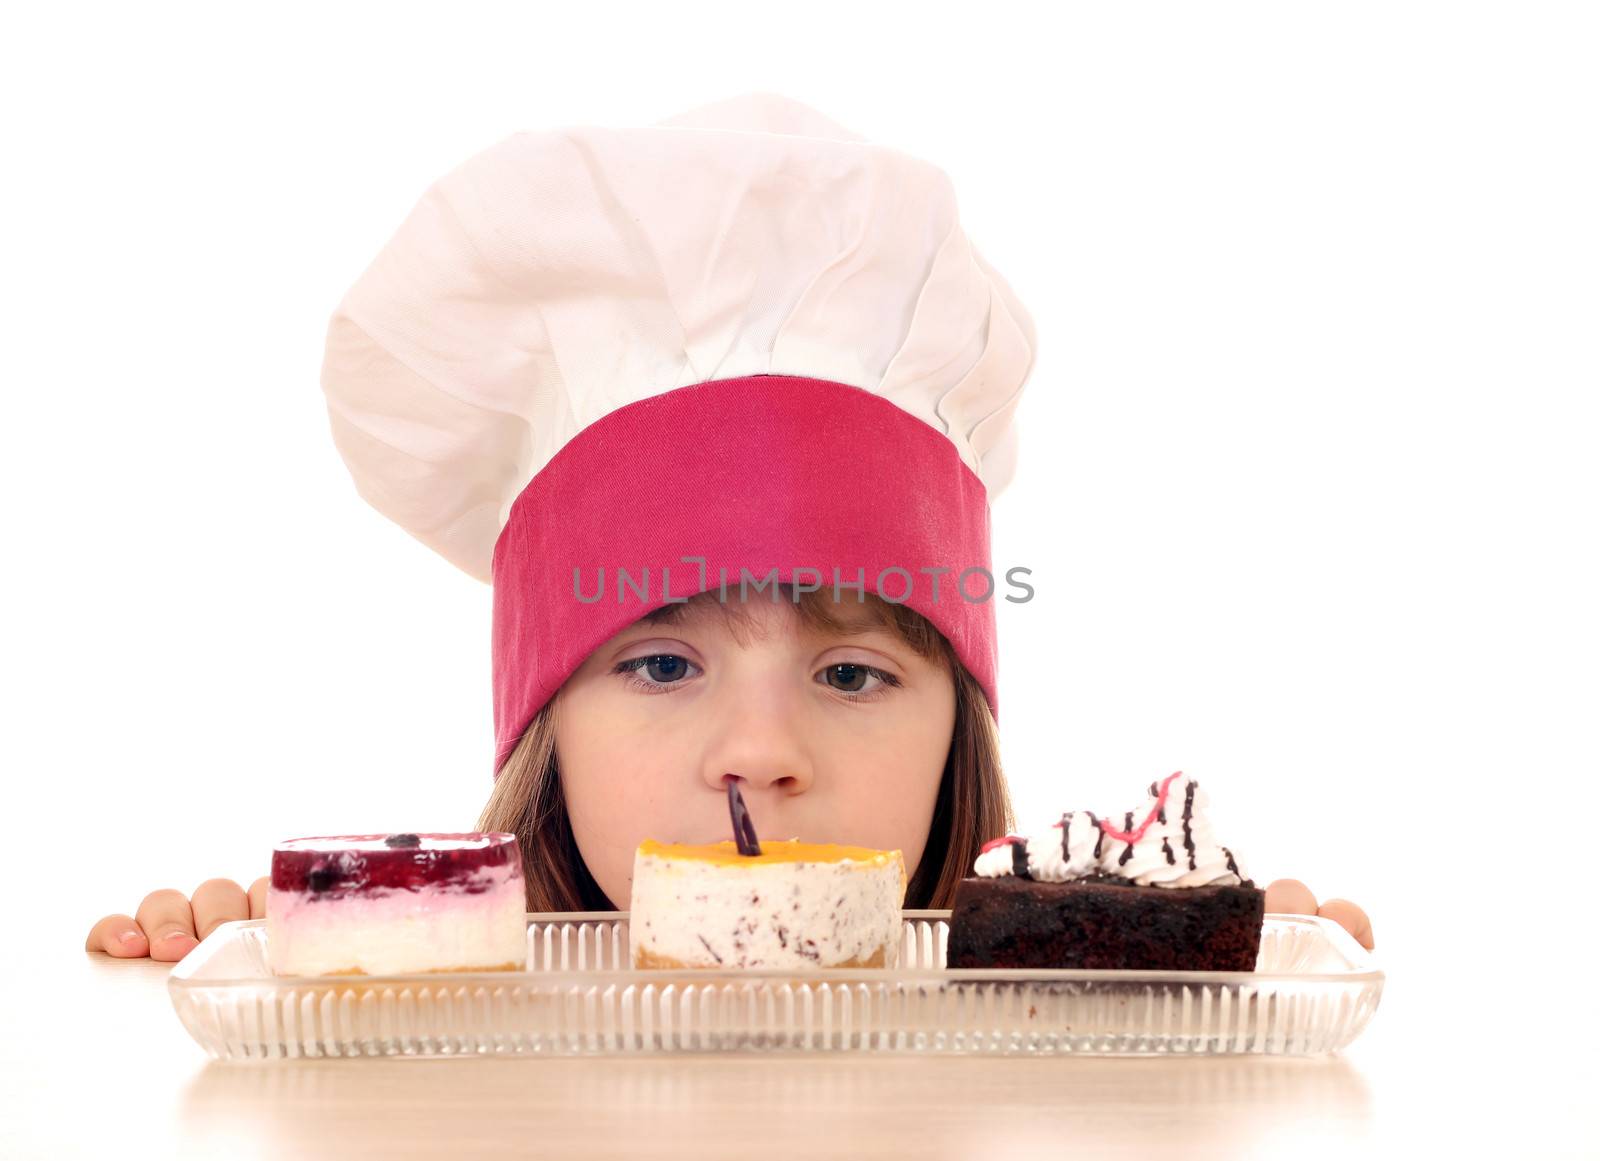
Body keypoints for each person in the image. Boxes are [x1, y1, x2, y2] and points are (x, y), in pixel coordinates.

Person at [85, 93, 1374, 963]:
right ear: (545, 735)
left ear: (960, 736)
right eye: (659, 663)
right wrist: (281, 953)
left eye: (855, 671)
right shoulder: (436, 1030)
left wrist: (1194, 987)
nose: (758, 755)